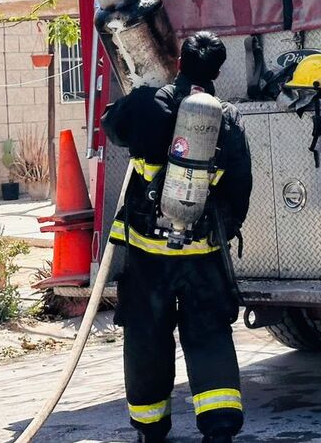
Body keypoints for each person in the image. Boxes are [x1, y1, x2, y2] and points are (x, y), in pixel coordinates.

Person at [103, 31, 253, 443]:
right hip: (202, 253)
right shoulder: (226, 116)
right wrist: (224, 227)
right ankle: (219, 427)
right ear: (219, 71)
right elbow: (240, 183)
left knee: (146, 334)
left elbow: (111, 127)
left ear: (180, 62)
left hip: (148, 253)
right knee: (208, 333)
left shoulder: (149, 101)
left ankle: (150, 428)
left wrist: (139, 99)